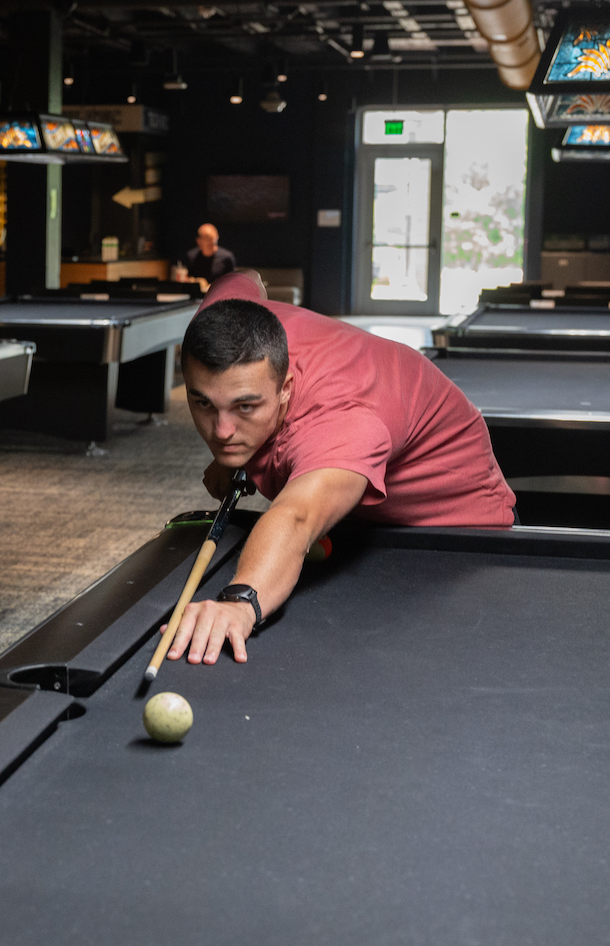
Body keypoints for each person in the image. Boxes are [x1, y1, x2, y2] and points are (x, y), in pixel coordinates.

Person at [163, 270, 515, 670]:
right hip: (357, 523)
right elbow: (245, 278)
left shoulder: (344, 422)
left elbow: (296, 517)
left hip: (458, 541)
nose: (222, 430)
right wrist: (237, 453)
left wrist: (240, 603)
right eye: (204, 403)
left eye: (245, 407)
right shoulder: (220, 320)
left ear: (286, 389)